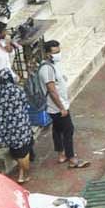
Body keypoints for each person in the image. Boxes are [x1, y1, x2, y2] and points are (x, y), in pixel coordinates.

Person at [36, 40, 88, 170]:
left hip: (57, 105)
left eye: (59, 51)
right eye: (55, 52)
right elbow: (52, 90)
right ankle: (71, 158)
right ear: (48, 53)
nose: (58, 54)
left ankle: (61, 154)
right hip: (56, 106)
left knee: (57, 129)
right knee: (68, 129)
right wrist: (61, 108)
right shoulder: (47, 69)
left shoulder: (53, 65)